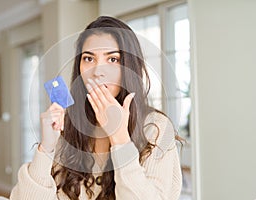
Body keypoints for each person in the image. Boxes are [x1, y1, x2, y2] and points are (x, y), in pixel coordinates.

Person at [10, 16, 182, 200]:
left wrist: (120, 139)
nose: (98, 71)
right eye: (89, 58)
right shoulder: (68, 126)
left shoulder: (156, 127)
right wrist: (46, 149)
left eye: (113, 59)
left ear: (130, 66)